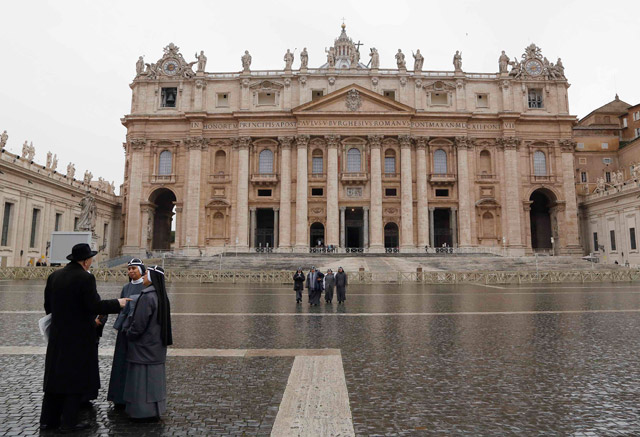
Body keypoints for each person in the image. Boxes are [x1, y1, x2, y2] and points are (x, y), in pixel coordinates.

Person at [40, 243, 129, 432]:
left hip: (57, 334)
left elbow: (48, 305)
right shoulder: (85, 278)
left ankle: (48, 420)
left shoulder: (54, 276)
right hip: (78, 336)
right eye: (91, 259)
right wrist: (118, 303)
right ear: (86, 261)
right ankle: (69, 422)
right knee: (75, 377)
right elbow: (94, 305)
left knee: (55, 376)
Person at [123, 265, 172, 421]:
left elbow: (139, 323)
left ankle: (141, 411)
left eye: (145, 274)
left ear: (151, 277)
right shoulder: (162, 296)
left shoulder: (147, 296)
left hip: (143, 347)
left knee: (141, 380)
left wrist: (129, 333)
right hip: (157, 346)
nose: (142, 277)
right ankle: (155, 409)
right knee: (154, 380)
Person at [107, 259, 147, 409]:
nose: (130, 271)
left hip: (137, 331)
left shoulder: (146, 286)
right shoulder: (126, 287)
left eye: (134, 268)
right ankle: (119, 396)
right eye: (129, 269)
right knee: (121, 362)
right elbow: (121, 309)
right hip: (124, 330)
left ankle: (134, 396)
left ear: (142, 270)